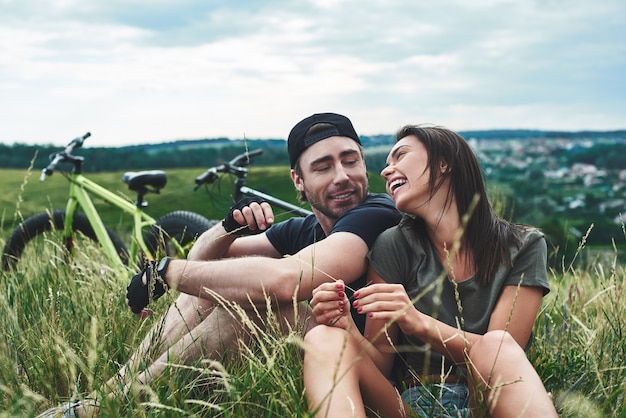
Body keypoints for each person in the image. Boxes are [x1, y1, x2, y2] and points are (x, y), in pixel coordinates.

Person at [37, 112, 401, 417]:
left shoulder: (376, 214)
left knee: (256, 305)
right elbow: (204, 264)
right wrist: (227, 228)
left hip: (374, 380)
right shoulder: (303, 228)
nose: (342, 175)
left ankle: (105, 406)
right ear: (299, 182)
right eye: (323, 167)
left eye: (350, 160)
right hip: (330, 355)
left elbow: (287, 281)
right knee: (214, 286)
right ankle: (106, 395)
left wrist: (166, 271)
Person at [303, 125, 558, 417]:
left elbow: (500, 358)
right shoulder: (393, 245)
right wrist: (345, 323)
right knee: (324, 338)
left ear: (443, 162)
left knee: (497, 344)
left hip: (487, 404)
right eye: (387, 166)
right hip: (409, 406)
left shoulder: (523, 245)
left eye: (400, 156)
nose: (387, 172)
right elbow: (381, 364)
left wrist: (417, 322)